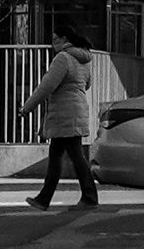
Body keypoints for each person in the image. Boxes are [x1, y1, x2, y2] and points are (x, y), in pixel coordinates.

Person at [23, 39, 100, 207]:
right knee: (58, 155)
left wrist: (27, 107)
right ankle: (44, 198)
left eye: (56, 39)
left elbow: (46, 87)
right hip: (77, 109)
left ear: (65, 39)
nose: (53, 44)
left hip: (65, 114)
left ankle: (89, 196)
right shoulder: (84, 59)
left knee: (74, 155)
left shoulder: (63, 58)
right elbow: (87, 84)